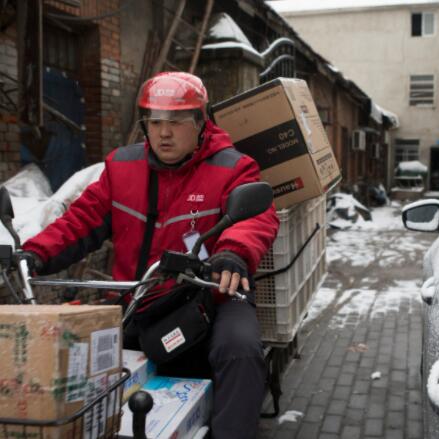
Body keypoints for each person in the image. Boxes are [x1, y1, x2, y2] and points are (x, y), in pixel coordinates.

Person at [20, 71, 280, 438]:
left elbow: (255, 218)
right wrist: (33, 253)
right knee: (76, 361)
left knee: (240, 350)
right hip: (137, 296)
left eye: (176, 122)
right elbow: (81, 220)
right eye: (155, 122)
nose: (164, 133)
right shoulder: (121, 167)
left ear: (201, 122)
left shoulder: (233, 167)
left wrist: (233, 253)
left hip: (211, 293)